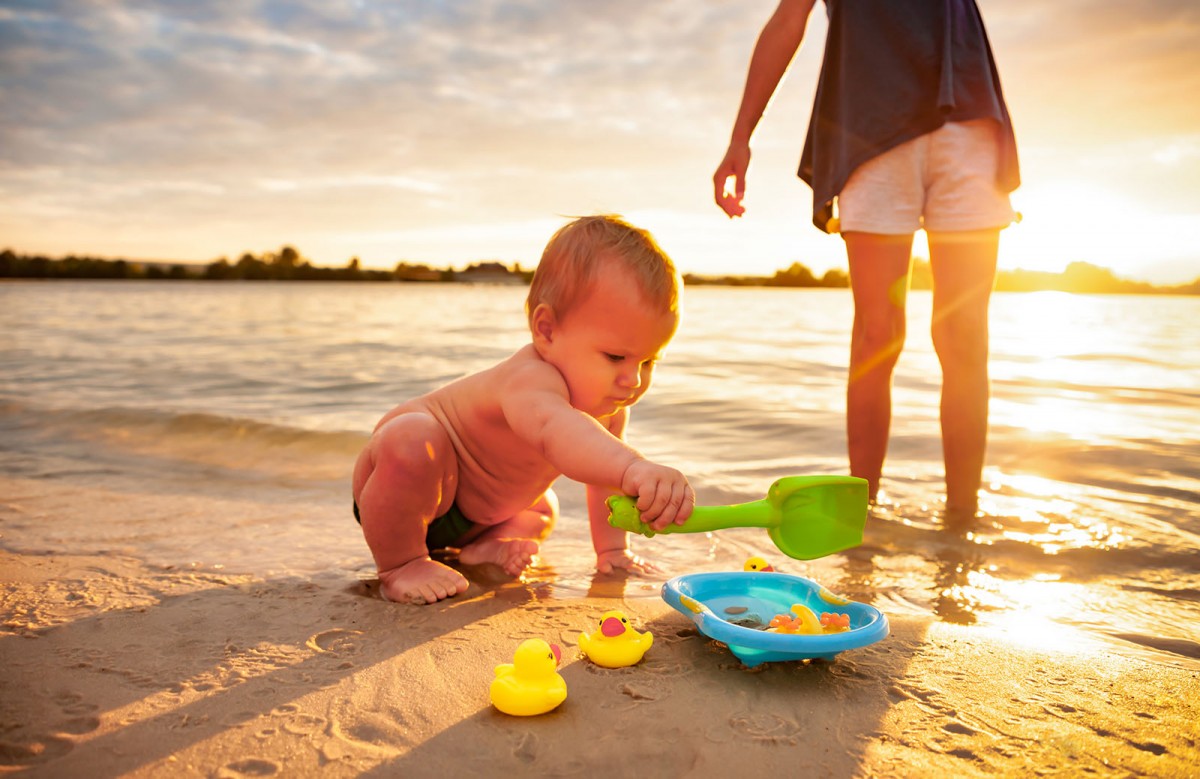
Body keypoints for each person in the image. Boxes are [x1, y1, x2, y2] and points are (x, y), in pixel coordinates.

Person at [713, 0, 1020, 519]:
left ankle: (962, 526)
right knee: (877, 334)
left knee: (965, 333)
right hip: (868, 129)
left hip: (967, 121)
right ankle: (862, 520)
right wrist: (741, 137)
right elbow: (790, 18)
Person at [352, 215, 696, 604]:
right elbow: (556, 430)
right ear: (546, 330)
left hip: (480, 518)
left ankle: (489, 546)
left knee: (543, 508)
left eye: (649, 361)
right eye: (616, 356)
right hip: (402, 486)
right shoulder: (529, 379)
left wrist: (613, 551)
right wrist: (634, 467)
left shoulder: (611, 409)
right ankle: (401, 565)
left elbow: (604, 482)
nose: (633, 380)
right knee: (412, 436)